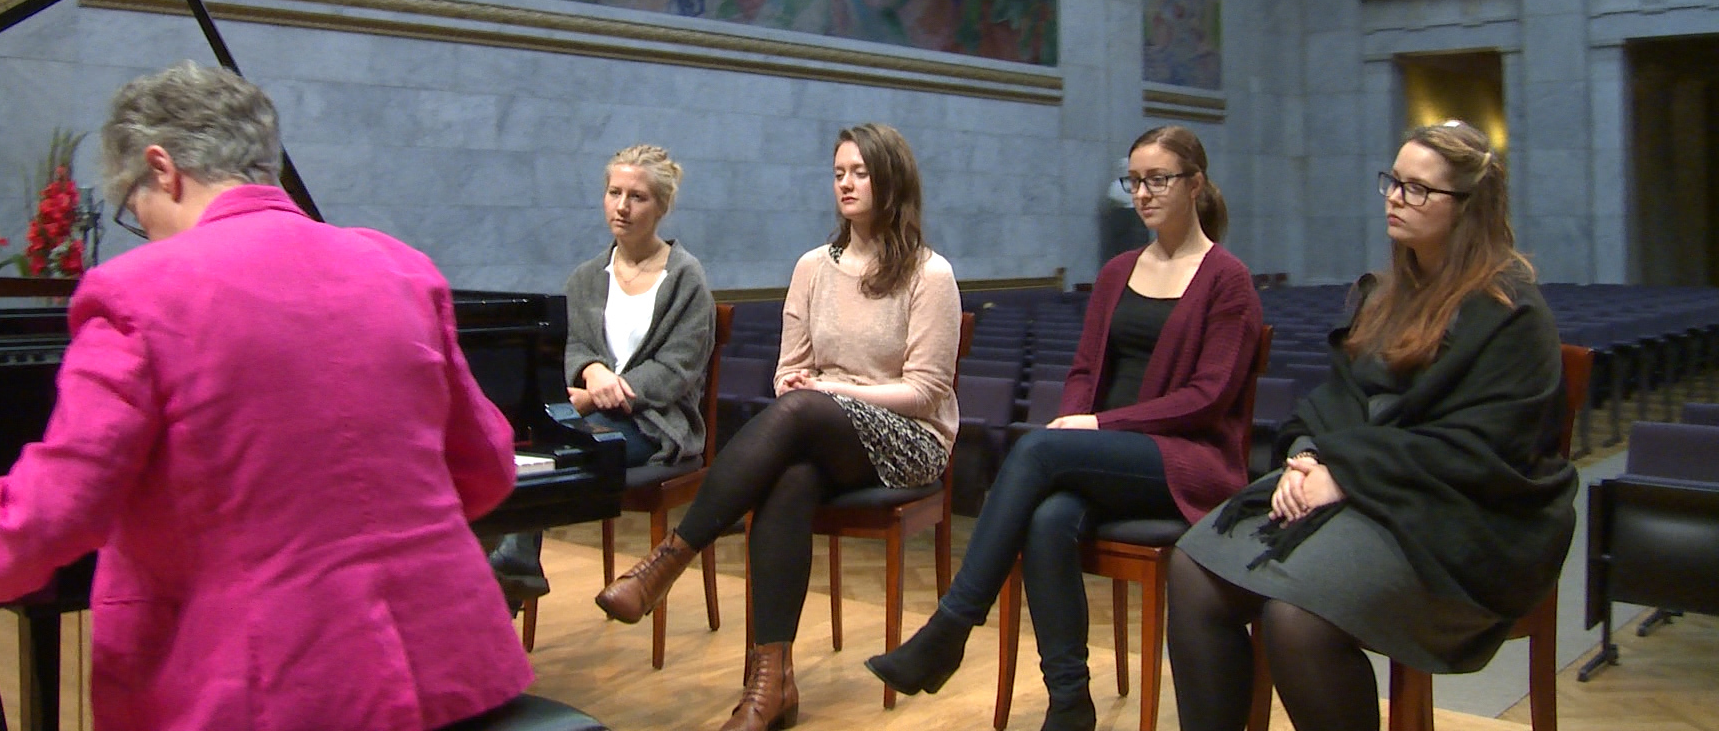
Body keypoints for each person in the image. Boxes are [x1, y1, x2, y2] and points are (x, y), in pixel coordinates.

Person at [0, 61, 532, 731]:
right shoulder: (398, 267)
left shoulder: (142, 291)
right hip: (452, 671)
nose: (140, 226)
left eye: (132, 207)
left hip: (266, 692)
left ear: (162, 168)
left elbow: (51, 515)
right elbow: (485, 468)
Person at [1165, 121, 1578, 731]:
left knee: (1296, 618)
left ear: (1468, 207)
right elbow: (1334, 402)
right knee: (1194, 568)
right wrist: (1306, 458)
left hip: (1463, 522)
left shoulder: (1510, 311)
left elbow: (1479, 451)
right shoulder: (1389, 293)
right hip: (1370, 490)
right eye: (1393, 182)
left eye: (1417, 189)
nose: (1394, 197)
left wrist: (1347, 474)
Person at [867, 126, 1262, 731]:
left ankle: (950, 627)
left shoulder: (1226, 278)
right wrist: (1079, 418)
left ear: (1196, 184)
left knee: (1039, 451)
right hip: (1113, 453)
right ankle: (1070, 701)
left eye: (1159, 179)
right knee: (1049, 519)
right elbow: (1084, 371)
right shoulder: (1117, 272)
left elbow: (1206, 400)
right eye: (1135, 181)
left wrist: (1096, 423)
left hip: (1188, 461)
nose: (1144, 193)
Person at [594, 123, 960, 731]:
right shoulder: (814, 267)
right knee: (790, 476)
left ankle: (670, 557)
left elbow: (925, 393)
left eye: (860, 172)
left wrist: (830, 390)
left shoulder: (930, 274)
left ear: (892, 181)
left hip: (910, 441)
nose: (845, 183)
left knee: (802, 411)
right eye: (839, 171)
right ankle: (773, 683)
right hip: (823, 430)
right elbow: (790, 371)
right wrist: (807, 387)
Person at [488, 144, 713, 605]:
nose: (622, 207)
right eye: (614, 193)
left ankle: (510, 569)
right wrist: (591, 371)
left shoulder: (687, 278)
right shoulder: (587, 277)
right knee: (519, 449)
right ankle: (506, 568)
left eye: (638, 197)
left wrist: (603, 394)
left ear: (661, 206)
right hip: (592, 412)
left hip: (656, 424)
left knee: (564, 451)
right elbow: (572, 344)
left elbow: (677, 371)